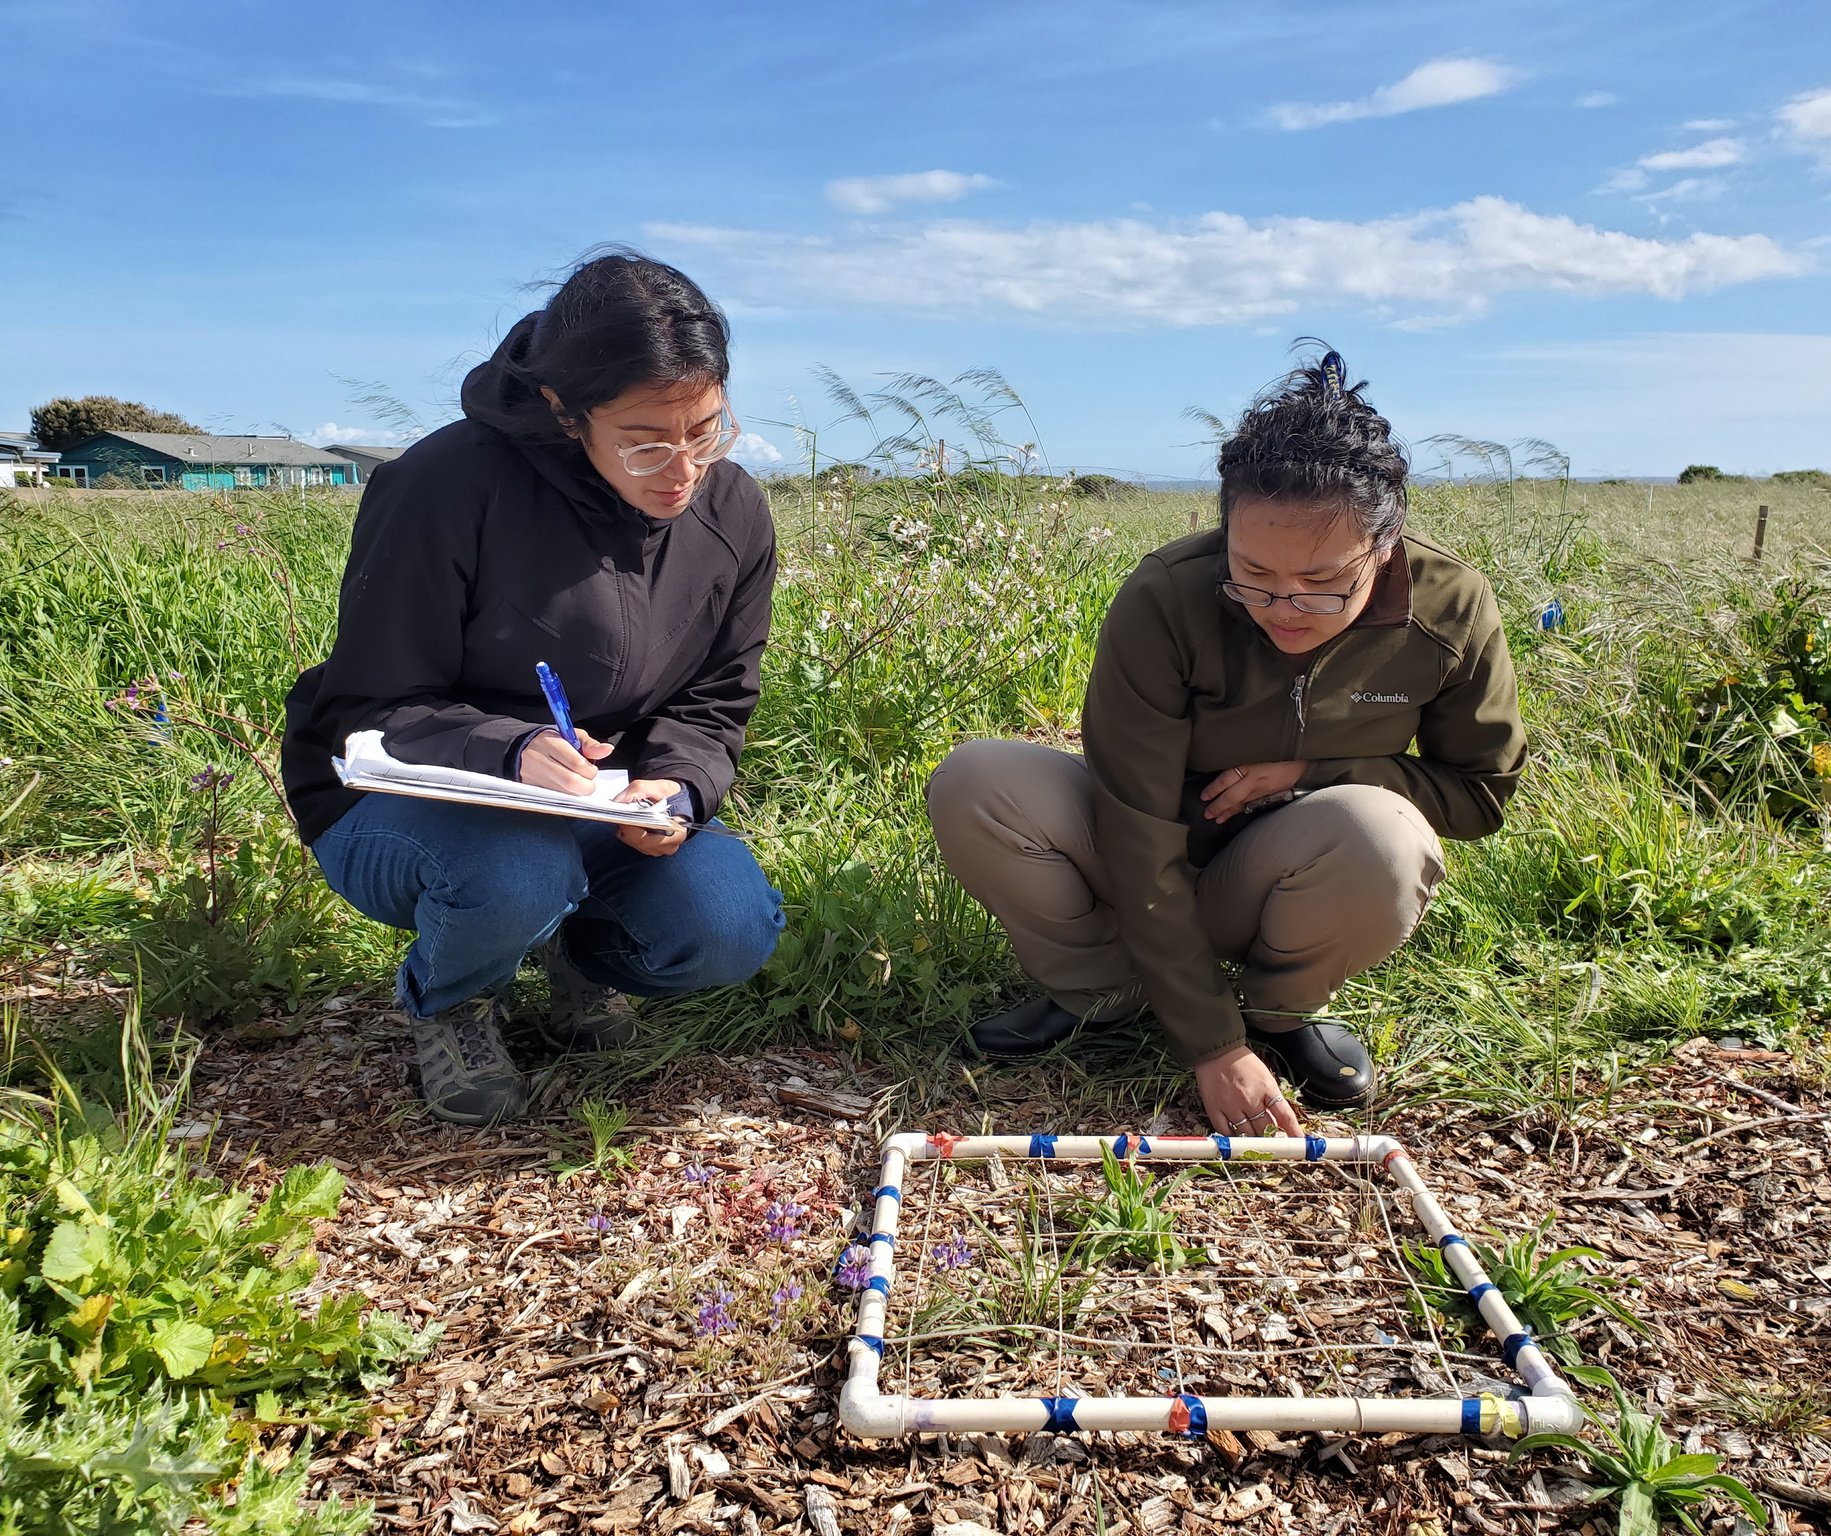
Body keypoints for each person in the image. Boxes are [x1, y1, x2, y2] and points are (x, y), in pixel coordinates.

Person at [926, 348, 1525, 1137]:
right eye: (1252, 571)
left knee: (1386, 835)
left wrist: (1316, 773)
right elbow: (1132, 823)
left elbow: (1480, 795)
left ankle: (1278, 1011)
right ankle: (1103, 993)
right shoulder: (1165, 595)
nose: (1283, 606)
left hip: (1281, 878)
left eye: (1323, 582)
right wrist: (1210, 1046)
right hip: (1140, 859)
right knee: (978, 779)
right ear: (1226, 526)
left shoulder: (1451, 609)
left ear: (1385, 548)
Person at [282, 252, 784, 1127]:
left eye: (705, 432)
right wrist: (508, 750)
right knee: (518, 867)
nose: (683, 469)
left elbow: (714, 701)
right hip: (406, 799)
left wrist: (679, 782)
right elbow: (371, 706)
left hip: (601, 803)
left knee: (728, 920)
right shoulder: (444, 484)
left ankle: (576, 960)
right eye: (644, 441)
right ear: (563, 411)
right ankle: (454, 1002)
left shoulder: (732, 512)